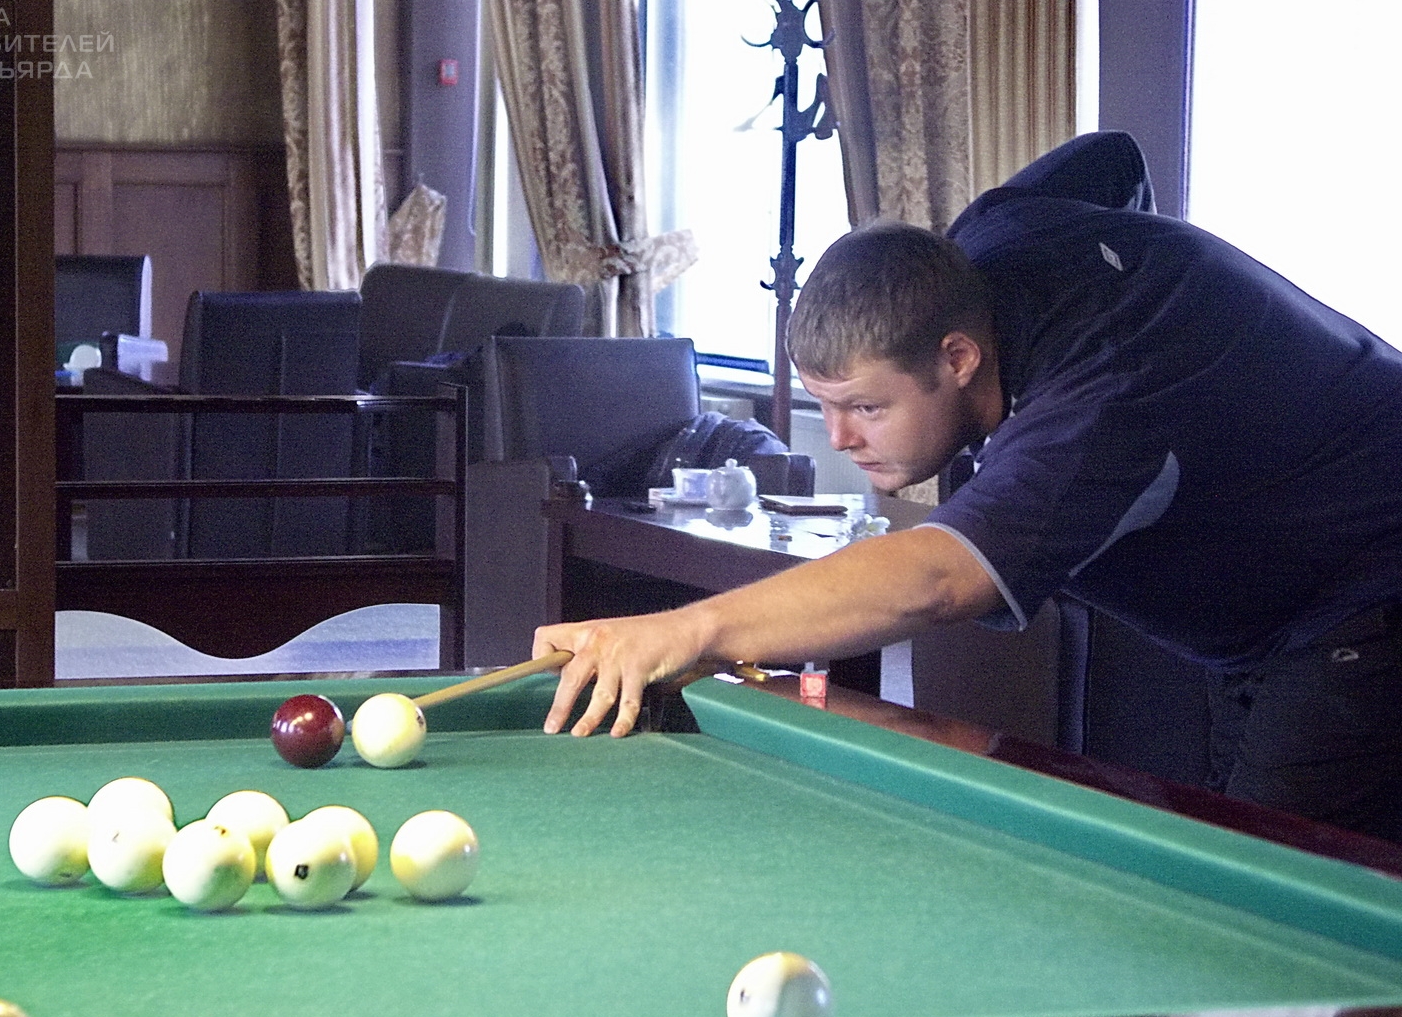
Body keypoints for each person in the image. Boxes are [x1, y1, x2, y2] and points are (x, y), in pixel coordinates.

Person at [533, 131, 1402, 841]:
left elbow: (940, 579)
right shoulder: (988, 241)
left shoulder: (1097, 402)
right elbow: (1112, 158)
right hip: (1270, 606)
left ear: (957, 357)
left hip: (1363, 593)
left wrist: (686, 631)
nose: (841, 438)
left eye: (867, 407)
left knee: (1279, 896)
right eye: (826, 406)